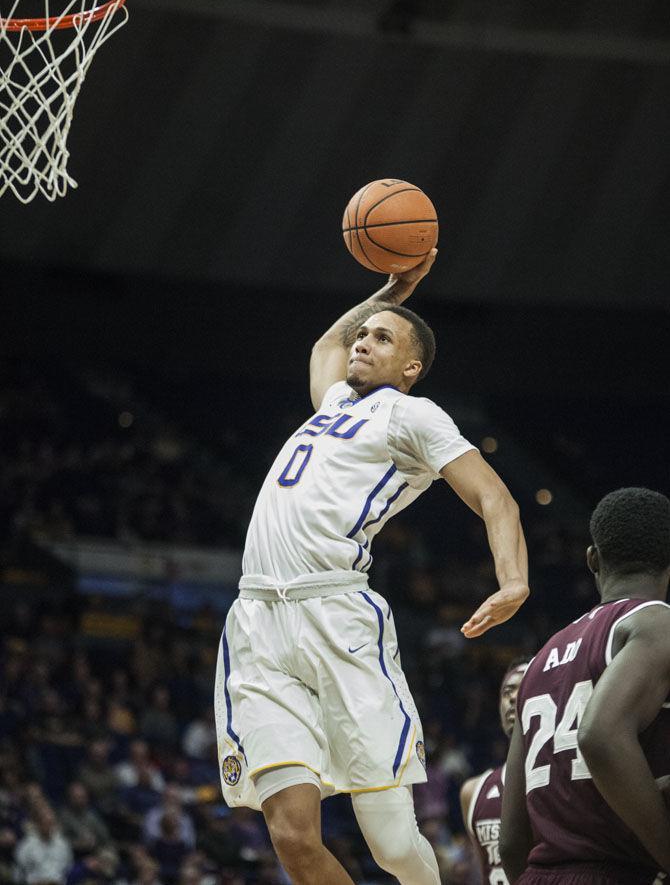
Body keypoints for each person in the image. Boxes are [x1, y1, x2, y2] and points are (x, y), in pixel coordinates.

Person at [216, 250, 529, 885]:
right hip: (255, 624)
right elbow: (327, 342)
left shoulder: (413, 416)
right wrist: (394, 289)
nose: (362, 340)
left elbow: (494, 496)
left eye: (381, 337)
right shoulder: (330, 403)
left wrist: (514, 579)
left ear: (412, 367)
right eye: (363, 334)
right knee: (290, 835)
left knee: (389, 844)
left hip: (337, 617)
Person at [500, 487, 670, 885]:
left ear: (592, 558)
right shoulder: (656, 623)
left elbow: (511, 841)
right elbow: (600, 735)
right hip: (621, 871)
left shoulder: (542, 655)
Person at [460, 659, 530, 885]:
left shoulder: (567, 780)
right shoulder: (473, 792)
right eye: (507, 691)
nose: (512, 697)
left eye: (524, 687)